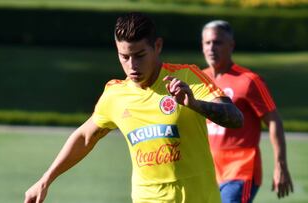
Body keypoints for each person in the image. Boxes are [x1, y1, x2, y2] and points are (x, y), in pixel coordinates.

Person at [24, 12, 244, 203]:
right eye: (124, 57)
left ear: (157, 46)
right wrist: (46, 179)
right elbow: (84, 137)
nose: (132, 66)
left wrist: (196, 104)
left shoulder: (187, 77)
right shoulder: (115, 95)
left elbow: (235, 118)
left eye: (139, 56)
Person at [201, 20, 294, 203]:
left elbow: (274, 121)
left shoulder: (249, 81)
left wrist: (280, 165)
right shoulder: (199, 79)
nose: (212, 48)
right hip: (206, 169)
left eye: (217, 42)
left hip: (240, 168)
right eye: (207, 43)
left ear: (231, 45)